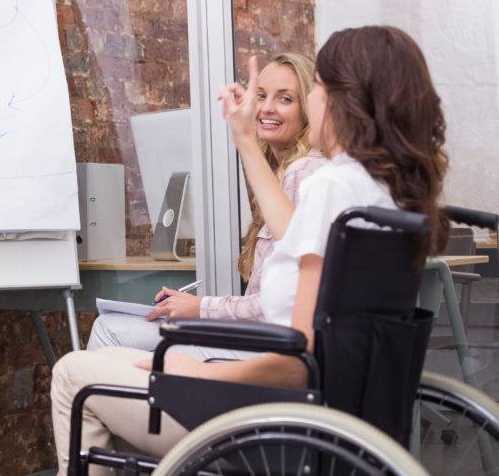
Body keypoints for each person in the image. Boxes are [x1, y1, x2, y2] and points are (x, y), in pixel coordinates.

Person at [50, 26, 448, 473]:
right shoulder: (381, 192)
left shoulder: (330, 185)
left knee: (72, 374)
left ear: (344, 99)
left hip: (270, 415)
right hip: (338, 407)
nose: (311, 98)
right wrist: (244, 138)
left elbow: (299, 360)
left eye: (314, 86)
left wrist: (203, 372)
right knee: (109, 359)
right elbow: (296, 236)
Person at [87, 53, 325, 351]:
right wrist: (194, 306)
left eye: (285, 99)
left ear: (308, 107)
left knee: (110, 329)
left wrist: (201, 308)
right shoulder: (284, 174)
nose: (266, 108)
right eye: (261, 95)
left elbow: (279, 304)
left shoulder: (302, 173)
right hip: (259, 339)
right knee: (115, 327)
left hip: (265, 348)